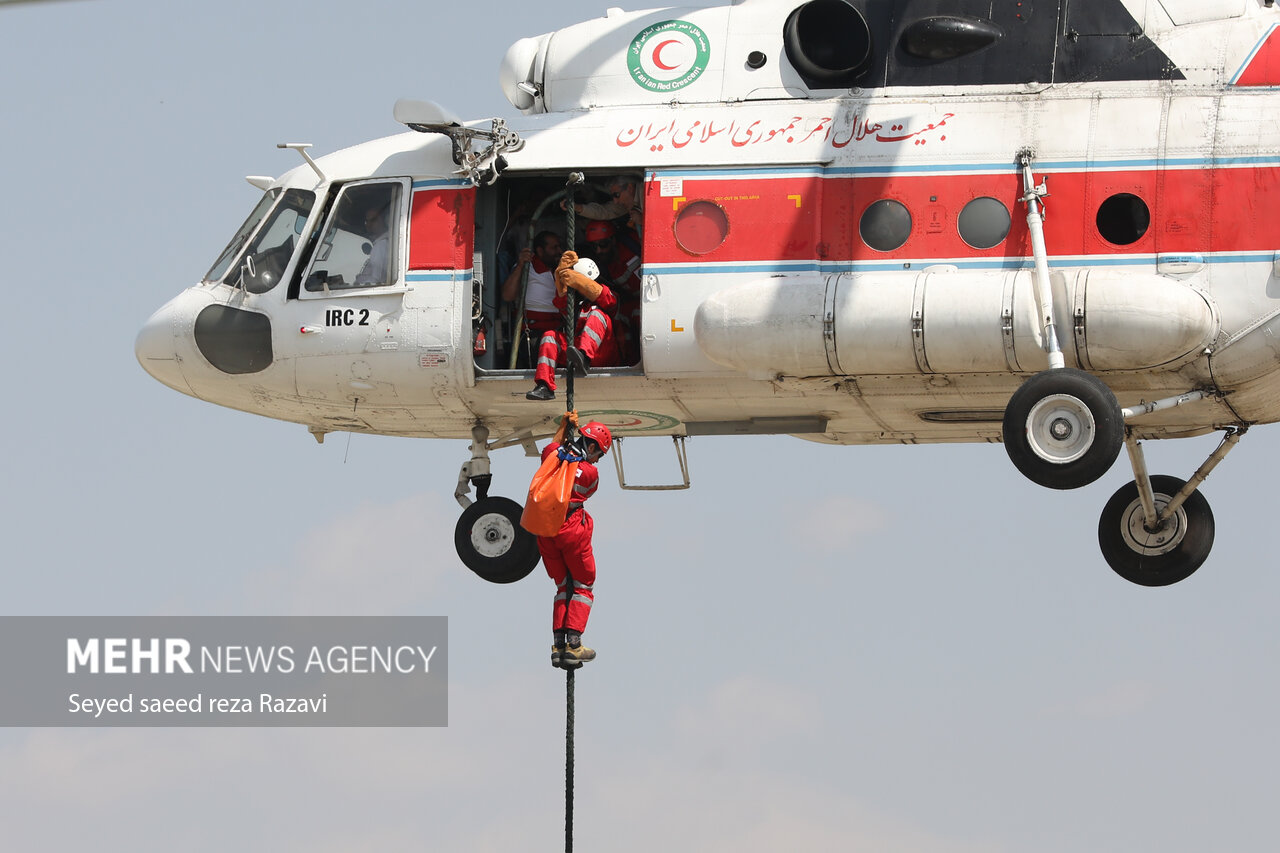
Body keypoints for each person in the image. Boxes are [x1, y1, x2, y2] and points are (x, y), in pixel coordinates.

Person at [539, 415, 613, 668]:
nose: (597, 459)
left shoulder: (553, 454)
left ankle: (558, 644)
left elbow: (552, 447)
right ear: (591, 447)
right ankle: (573, 644)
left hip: (544, 531)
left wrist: (564, 427)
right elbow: (585, 487)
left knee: (562, 586)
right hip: (570, 532)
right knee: (583, 585)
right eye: (599, 454)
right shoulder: (590, 474)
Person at [526, 252, 620, 401]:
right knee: (550, 336)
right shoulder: (575, 304)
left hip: (601, 354)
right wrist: (561, 282)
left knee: (597, 314)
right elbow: (562, 304)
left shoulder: (606, 300)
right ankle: (544, 386)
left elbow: (608, 299)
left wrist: (581, 282)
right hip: (575, 353)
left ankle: (584, 357)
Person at [583, 219, 642, 363]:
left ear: (613, 240)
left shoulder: (634, 244)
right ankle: (628, 361)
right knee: (618, 320)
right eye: (593, 246)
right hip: (632, 303)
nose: (599, 250)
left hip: (650, 301)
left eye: (603, 245)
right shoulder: (604, 266)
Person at [501, 230, 564, 333]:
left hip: (558, 328)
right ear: (540, 251)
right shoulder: (527, 267)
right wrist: (521, 265)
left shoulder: (562, 269)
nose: (560, 251)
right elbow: (507, 296)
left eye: (559, 247)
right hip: (532, 330)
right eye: (554, 248)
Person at [565, 175, 643, 239]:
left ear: (630, 188)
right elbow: (605, 211)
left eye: (617, 195)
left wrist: (642, 220)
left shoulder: (647, 193)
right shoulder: (628, 202)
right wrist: (576, 207)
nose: (615, 201)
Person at [354, 203, 391, 286]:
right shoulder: (383, 243)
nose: (368, 225)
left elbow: (376, 281)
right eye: (367, 221)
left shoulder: (381, 245)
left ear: (384, 221)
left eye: (373, 220)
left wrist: (359, 280)